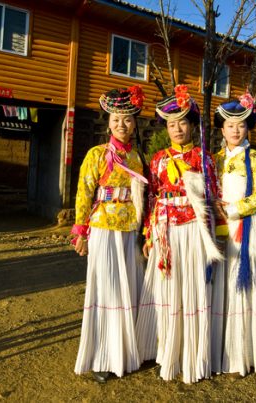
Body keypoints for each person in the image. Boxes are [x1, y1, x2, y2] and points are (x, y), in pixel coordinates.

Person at [135, 85, 225, 384]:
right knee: (169, 291)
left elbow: (215, 197)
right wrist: (148, 235)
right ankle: (165, 351)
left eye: (182, 123)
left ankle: (193, 355)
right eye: (171, 124)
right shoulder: (158, 159)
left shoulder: (204, 158)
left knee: (194, 289)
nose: (177, 129)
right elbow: (151, 199)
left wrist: (220, 233)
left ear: (192, 125)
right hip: (166, 231)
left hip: (195, 231)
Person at [72, 86, 148, 383]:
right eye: (117, 119)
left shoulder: (138, 159)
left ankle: (129, 350)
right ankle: (103, 355)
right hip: (103, 228)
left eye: (128, 119)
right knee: (106, 289)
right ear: (109, 122)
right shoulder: (97, 154)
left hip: (130, 230)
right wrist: (80, 230)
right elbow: (83, 192)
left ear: (135, 123)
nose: (122, 124)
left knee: (129, 288)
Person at [213, 92, 256, 377]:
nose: (235, 130)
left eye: (241, 125)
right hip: (221, 231)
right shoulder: (214, 159)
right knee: (223, 289)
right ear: (222, 129)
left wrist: (232, 209)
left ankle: (247, 354)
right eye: (230, 125)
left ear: (247, 127)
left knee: (247, 290)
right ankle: (222, 351)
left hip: (247, 229)